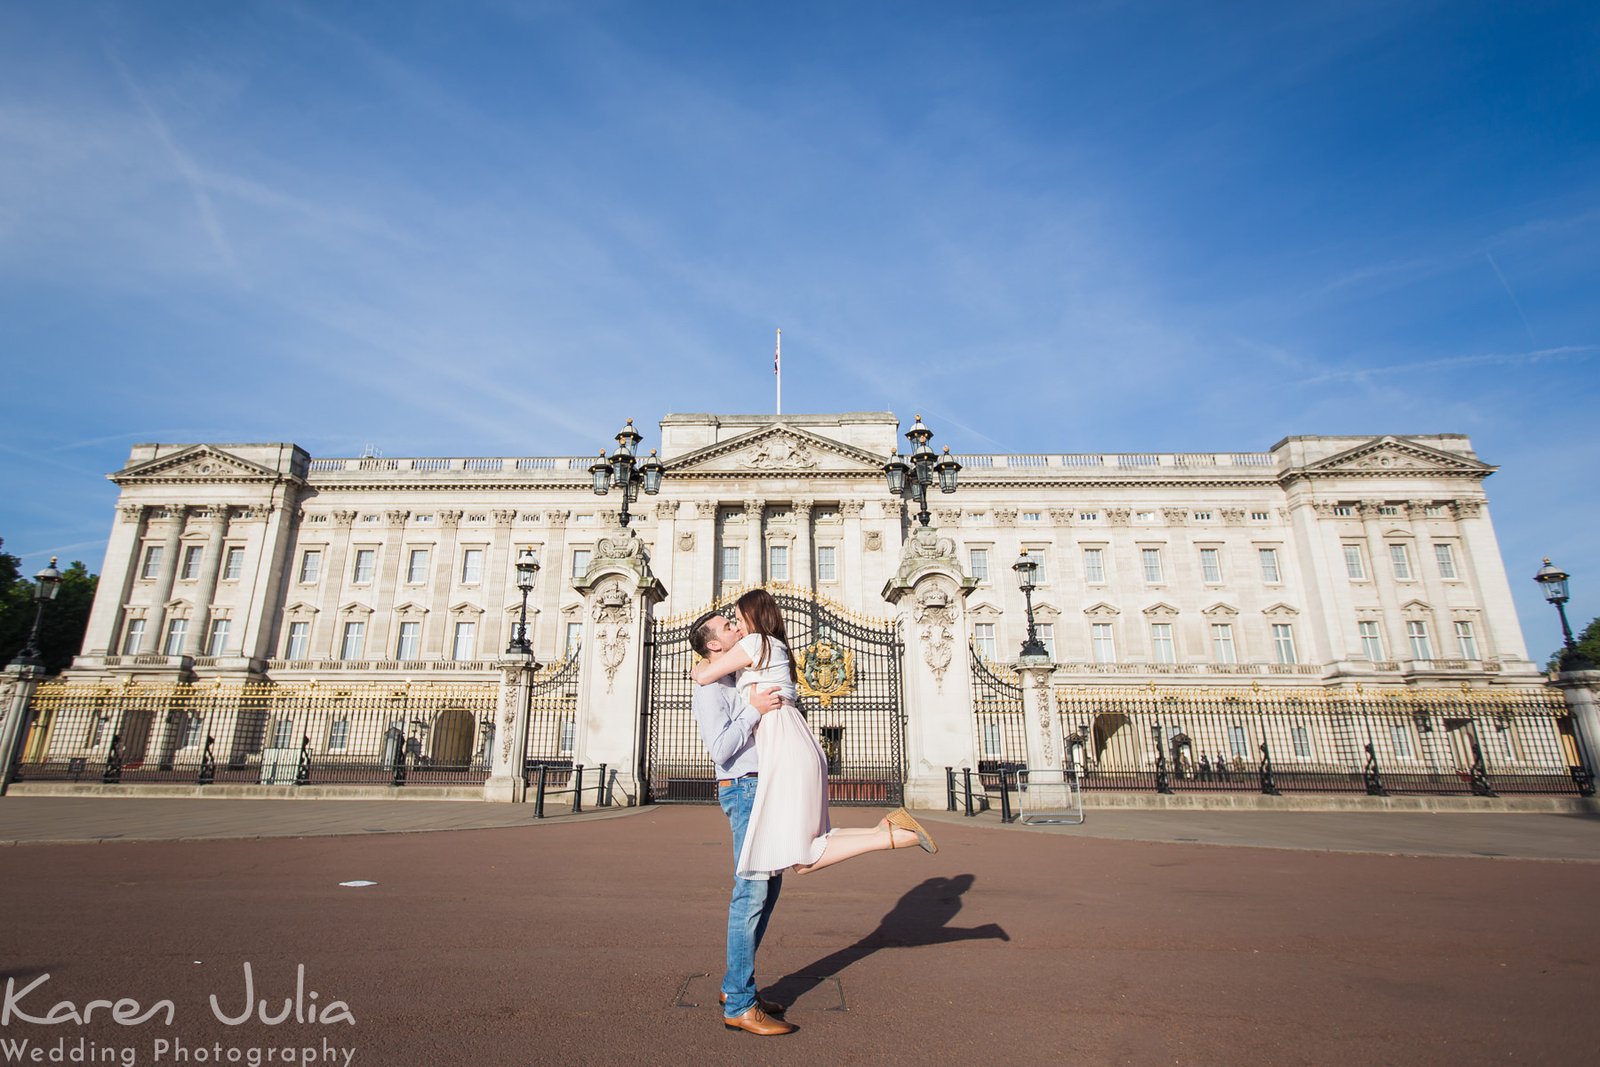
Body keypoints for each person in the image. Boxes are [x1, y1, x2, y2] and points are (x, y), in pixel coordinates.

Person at [691, 589, 937, 881]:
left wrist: (701, 666)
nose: (737, 626)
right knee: (812, 842)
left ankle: (894, 837)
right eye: (730, 624)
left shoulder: (756, 642)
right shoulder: (769, 647)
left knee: (803, 857)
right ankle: (884, 828)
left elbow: (703, 676)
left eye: (738, 619)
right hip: (792, 744)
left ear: (752, 618)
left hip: (786, 749)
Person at [689, 611, 792, 1037]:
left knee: (768, 888)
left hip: (761, 785)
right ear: (714, 644)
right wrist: (752, 711)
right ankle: (740, 1003)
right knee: (750, 892)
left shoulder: (731, 674)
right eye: (728, 626)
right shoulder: (711, 686)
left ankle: (738, 986)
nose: (737, 627)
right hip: (743, 786)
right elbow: (722, 748)